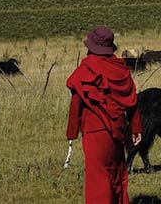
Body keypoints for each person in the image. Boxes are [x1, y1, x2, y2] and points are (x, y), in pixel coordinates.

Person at [65, 26, 143, 204]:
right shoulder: (120, 68)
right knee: (116, 173)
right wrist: (136, 127)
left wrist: (71, 132)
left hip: (94, 132)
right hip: (118, 130)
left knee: (98, 178)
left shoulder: (87, 67)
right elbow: (131, 100)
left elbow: (76, 101)